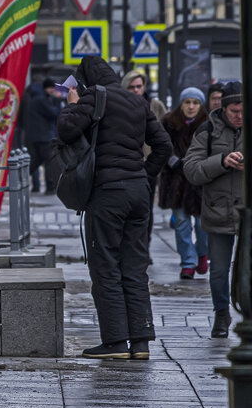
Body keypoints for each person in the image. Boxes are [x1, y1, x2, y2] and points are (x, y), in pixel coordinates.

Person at [58, 56, 171, 359]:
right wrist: (143, 176)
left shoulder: (94, 97)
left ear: (84, 81)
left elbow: (66, 130)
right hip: (138, 195)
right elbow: (164, 146)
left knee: (105, 264)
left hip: (107, 194)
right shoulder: (137, 103)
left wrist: (71, 103)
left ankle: (115, 342)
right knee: (134, 266)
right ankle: (141, 342)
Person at [183, 81, 244, 338]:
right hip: (218, 211)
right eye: (234, 111)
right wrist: (222, 161)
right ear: (223, 108)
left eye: (244, 111)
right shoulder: (207, 130)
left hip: (247, 213)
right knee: (218, 271)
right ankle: (222, 313)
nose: (240, 116)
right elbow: (191, 169)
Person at [159, 87, 209, 280]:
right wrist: (171, 160)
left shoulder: (208, 123)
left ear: (200, 105)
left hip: (201, 182)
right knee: (181, 223)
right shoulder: (168, 123)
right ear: (181, 103)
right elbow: (161, 145)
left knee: (203, 224)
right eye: (187, 102)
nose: (190, 106)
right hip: (176, 181)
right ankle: (188, 263)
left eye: (195, 103)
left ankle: (202, 253)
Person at [122, 69, 167, 254]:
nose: (136, 90)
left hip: (148, 165)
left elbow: (165, 134)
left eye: (139, 86)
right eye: (131, 87)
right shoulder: (121, 107)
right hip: (126, 166)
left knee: (146, 211)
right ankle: (129, 248)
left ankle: (143, 249)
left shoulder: (155, 106)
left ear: (144, 87)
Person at [26, 77, 64, 194]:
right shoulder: (41, 100)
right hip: (44, 136)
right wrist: (58, 101)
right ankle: (50, 187)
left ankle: (21, 176)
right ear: (48, 88)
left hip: (36, 136)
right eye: (52, 88)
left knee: (37, 160)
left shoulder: (35, 98)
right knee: (48, 161)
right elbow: (53, 113)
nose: (53, 91)